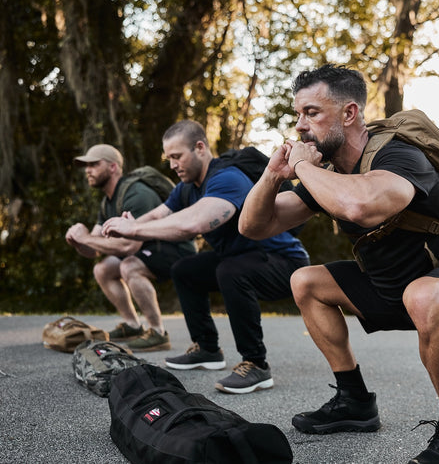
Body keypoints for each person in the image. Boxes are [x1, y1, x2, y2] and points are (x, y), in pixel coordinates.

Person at [238, 64, 439, 463]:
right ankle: (354, 401)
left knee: (424, 294)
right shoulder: (328, 172)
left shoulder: (400, 154)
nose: (300, 127)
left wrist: (304, 167)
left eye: (311, 113)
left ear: (349, 113)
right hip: (391, 288)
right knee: (306, 281)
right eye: (297, 115)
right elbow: (254, 227)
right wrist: (274, 176)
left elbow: (360, 205)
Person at [102, 120, 310, 394]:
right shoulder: (186, 187)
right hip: (242, 257)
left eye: (177, 156)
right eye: (169, 159)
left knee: (231, 271)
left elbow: (196, 223)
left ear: (200, 148)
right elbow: (161, 215)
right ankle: (207, 349)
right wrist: (130, 223)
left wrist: (136, 229)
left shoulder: (227, 177)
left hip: (283, 262)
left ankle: (256, 365)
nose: (173, 165)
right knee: (185, 269)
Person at [65, 144, 196, 352]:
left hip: (175, 248)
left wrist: (87, 238)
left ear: (113, 167)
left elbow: (128, 245)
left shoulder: (136, 193)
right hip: (146, 249)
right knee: (102, 269)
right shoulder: (106, 202)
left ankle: (158, 333)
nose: (88, 170)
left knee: (129, 266)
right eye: (86, 166)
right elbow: (95, 250)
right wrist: (79, 242)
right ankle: (133, 326)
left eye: (94, 164)